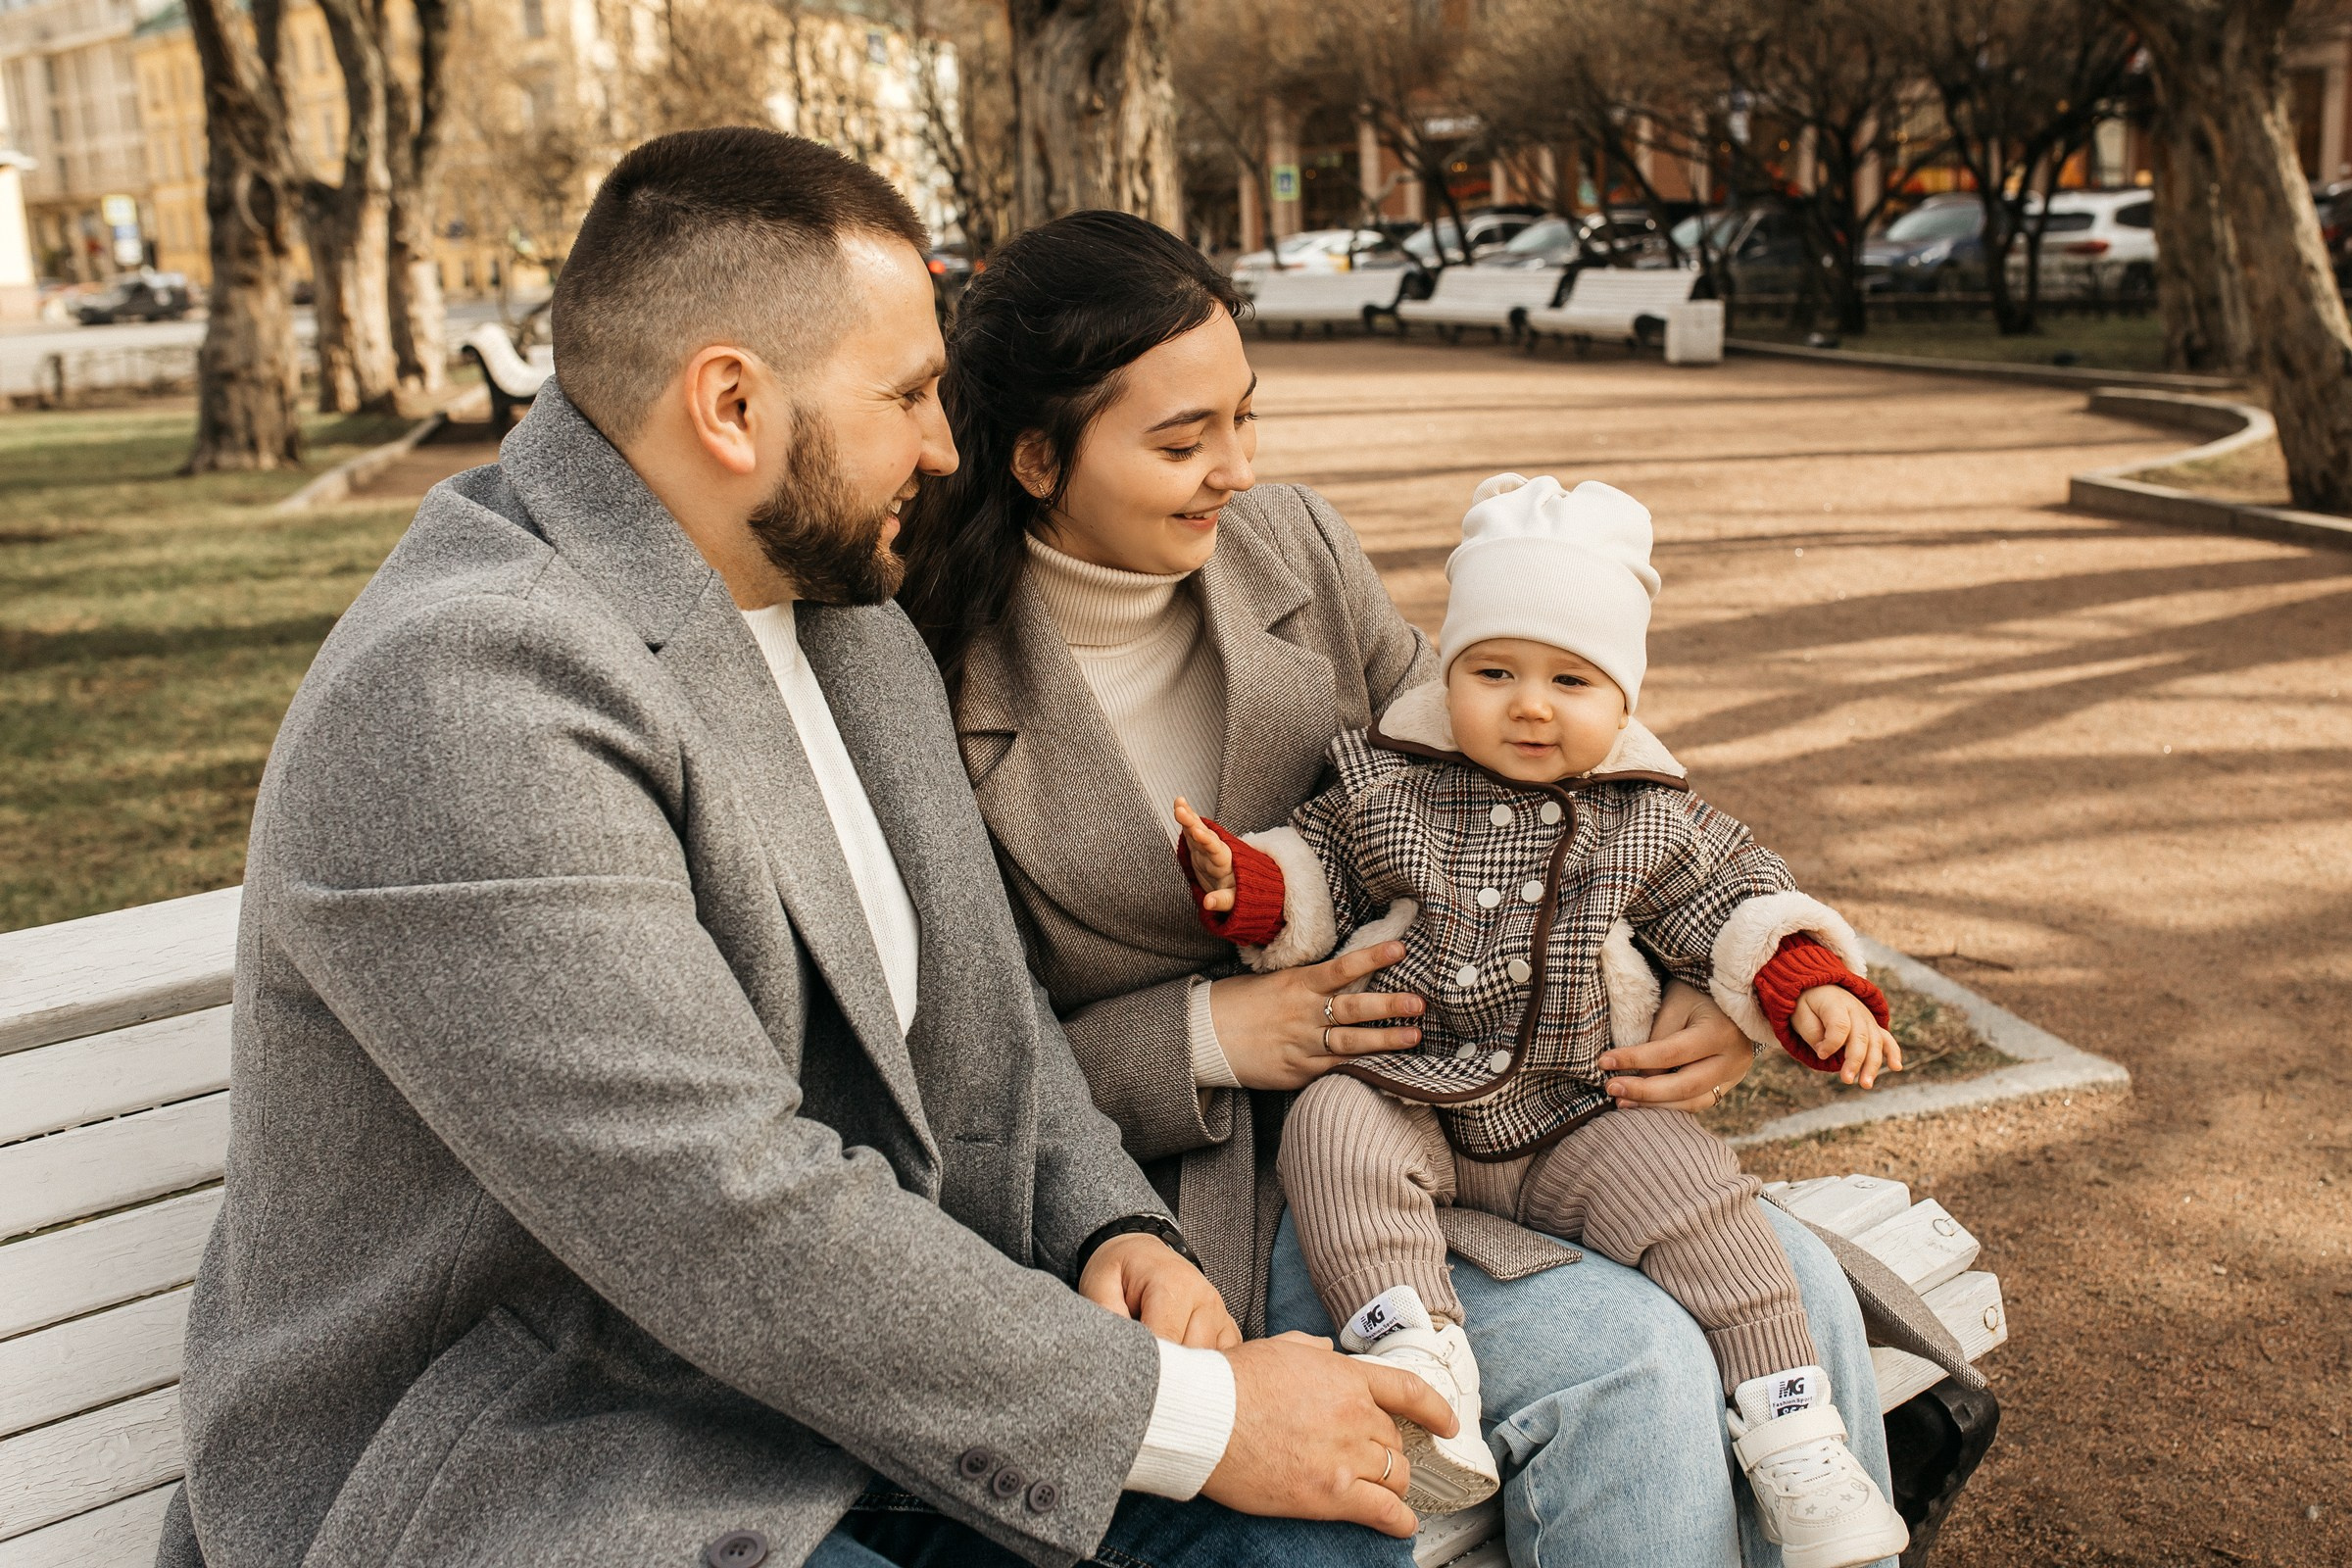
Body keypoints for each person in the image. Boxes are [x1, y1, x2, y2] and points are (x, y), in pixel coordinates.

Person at [160, 128, 1457, 1568]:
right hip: (559, 1460)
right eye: (907, 393)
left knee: (1316, 1548)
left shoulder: (839, 617)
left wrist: (1105, 1231)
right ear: (730, 403)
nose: (946, 445)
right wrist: (1203, 1414)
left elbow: (991, 1036)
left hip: (837, 1403)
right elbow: (721, 1212)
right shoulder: (465, 693)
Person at [897, 209, 1903, 1568]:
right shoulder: (930, 692)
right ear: (1035, 456)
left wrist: (1708, 982)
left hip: (1491, 1094)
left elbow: (1516, 765)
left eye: (1245, 422)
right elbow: (955, 1059)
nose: (1236, 473)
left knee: (1814, 1308)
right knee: (1632, 1363)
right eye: (1183, 444)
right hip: (1211, 1194)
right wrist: (1209, 1035)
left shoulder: (1291, 551)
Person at [1171, 471, 1911, 1567]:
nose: (1529, 703)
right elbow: (1319, 858)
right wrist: (1255, 887)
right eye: (1495, 670)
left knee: (1701, 1197)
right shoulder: (1394, 785)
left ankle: (1791, 1418)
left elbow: (1737, 905)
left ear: (1624, 703)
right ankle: (1417, 1344)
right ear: (1451, 671)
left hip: (1580, 1112)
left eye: (1572, 678)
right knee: (1331, 1127)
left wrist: (1810, 986)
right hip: (1408, 1092)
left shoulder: (1649, 816)